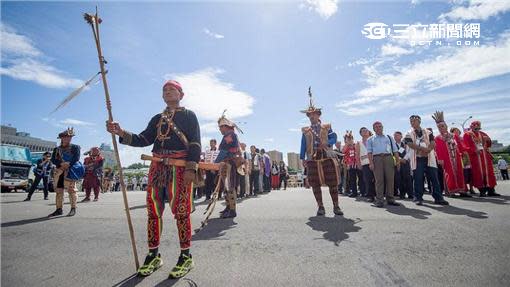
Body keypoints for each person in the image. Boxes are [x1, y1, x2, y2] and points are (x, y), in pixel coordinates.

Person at [107, 80, 200, 278]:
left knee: (181, 212)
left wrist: (192, 168)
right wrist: (121, 132)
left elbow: (195, 142)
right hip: (157, 167)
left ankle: (186, 257)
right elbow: (144, 139)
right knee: (153, 211)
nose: (167, 92)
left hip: (180, 168)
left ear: (181, 94)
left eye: (172, 89)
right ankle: (153, 255)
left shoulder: (189, 116)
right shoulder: (157, 118)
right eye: (164, 90)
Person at [299, 87, 343, 216]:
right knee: (315, 183)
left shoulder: (327, 127)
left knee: (332, 182)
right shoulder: (306, 130)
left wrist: (328, 143)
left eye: (314, 114)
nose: (312, 116)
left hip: (326, 156)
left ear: (318, 115)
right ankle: (320, 206)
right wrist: (303, 158)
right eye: (310, 115)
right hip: (312, 158)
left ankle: (336, 206)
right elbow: (302, 145)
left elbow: (334, 137)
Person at [404, 115, 449, 206]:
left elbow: (433, 143)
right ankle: (418, 198)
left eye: (414, 120)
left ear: (419, 121)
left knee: (434, 178)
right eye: (411, 121)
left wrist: (428, 150)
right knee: (418, 179)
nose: (412, 122)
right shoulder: (408, 133)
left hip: (429, 157)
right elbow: (410, 144)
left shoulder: (428, 132)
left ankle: (438, 198)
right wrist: (422, 149)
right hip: (417, 158)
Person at [48, 128, 84, 217]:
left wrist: (68, 164)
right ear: (62, 138)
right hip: (60, 171)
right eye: (66, 137)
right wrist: (61, 163)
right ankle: (59, 209)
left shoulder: (75, 147)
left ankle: (73, 208)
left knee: (72, 190)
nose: (68, 138)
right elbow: (53, 159)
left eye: (70, 137)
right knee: (59, 191)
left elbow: (76, 158)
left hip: (70, 170)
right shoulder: (57, 149)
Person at [432, 111, 469, 197]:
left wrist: (464, 152)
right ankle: (451, 190)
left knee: (460, 173)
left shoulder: (454, 135)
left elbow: (460, 145)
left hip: (457, 157)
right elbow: (438, 150)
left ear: (446, 126)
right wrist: (440, 159)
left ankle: (462, 190)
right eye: (439, 127)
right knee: (450, 174)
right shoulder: (438, 138)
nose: (441, 128)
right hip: (446, 159)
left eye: (442, 126)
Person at [214, 113, 242, 218]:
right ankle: (228, 207)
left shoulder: (229, 135)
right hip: (227, 163)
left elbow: (224, 152)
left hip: (229, 163)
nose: (219, 130)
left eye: (220, 127)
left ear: (225, 126)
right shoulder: (230, 135)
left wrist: (214, 164)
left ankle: (232, 210)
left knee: (229, 186)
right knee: (226, 187)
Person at [367, 121, 401, 208]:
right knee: (379, 180)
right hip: (377, 159)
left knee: (390, 179)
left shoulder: (389, 137)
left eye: (380, 126)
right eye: (376, 127)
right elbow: (369, 152)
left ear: (383, 127)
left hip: (388, 158)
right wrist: (371, 163)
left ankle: (390, 199)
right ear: (374, 129)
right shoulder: (370, 139)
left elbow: (395, 150)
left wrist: (397, 161)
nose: (378, 128)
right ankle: (379, 201)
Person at [463, 121, 499, 196]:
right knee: (478, 174)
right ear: (471, 127)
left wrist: (488, 140)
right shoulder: (467, 135)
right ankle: (482, 191)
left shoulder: (482, 134)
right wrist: (474, 150)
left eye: (478, 127)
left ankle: (491, 190)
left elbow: (489, 144)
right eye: (475, 127)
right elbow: (465, 146)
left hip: (485, 157)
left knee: (489, 173)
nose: (477, 129)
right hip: (476, 157)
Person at [356, 127, 376, 202]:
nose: (365, 132)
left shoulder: (373, 140)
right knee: (368, 180)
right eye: (363, 131)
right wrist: (359, 164)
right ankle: (370, 196)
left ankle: (378, 194)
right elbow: (357, 155)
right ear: (360, 133)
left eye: (366, 131)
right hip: (365, 164)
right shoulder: (359, 143)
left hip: (375, 162)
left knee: (377, 179)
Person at [393, 131, 413, 200]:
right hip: (397, 163)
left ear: (401, 136)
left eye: (398, 135)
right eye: (395, 136)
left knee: (408, 178)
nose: (396, 137)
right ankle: (402, 194)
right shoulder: (392, 145)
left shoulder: (406, 144)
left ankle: (410, 194)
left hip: (406, 163)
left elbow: (409, 151)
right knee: (399, 179)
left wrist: (405, 159)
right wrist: (400, 159)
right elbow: (392, 154)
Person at [342, 131, 361, 198]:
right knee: (352, 179)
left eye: (350, 138)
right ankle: (354, 192)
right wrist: (347, 143)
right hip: (350, 165)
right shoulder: (345, 146)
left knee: (361, 178)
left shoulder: (356, 144)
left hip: (358, 163)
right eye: (347, 138)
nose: (349, 139)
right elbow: (343, 151)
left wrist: (352, 143)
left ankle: (363, 191)